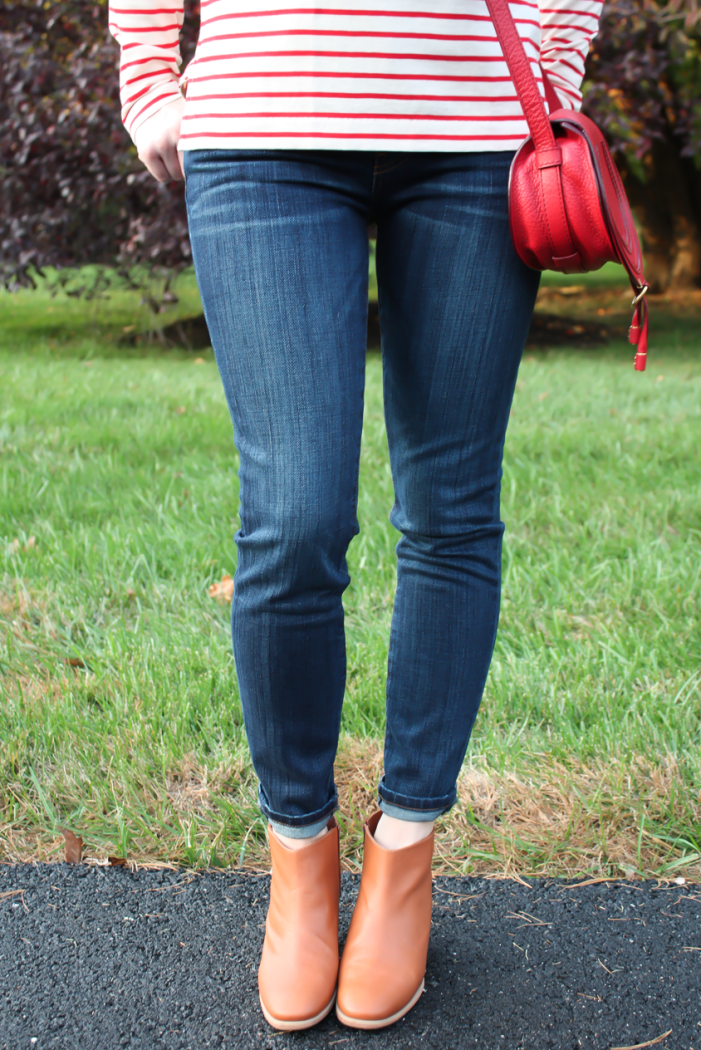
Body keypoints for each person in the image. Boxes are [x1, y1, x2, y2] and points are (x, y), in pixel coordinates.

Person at [109, 0, 601, 1032]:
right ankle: (297, 857)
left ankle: (404, 853)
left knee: (450, 512)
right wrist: (150, 70)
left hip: (473, 128)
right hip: (264, 120)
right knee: (291, 519)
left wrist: (550, 72)